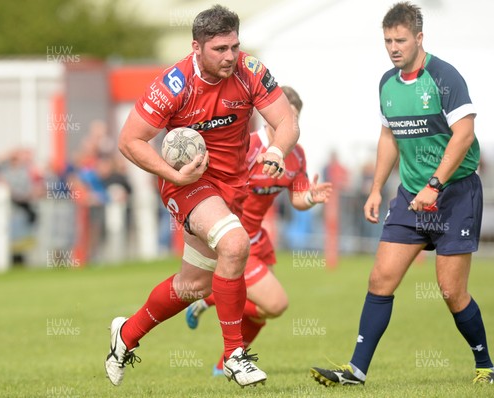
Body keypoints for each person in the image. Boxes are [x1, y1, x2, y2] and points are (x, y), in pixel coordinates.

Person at [105, 4, 299, 388]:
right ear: (196, 47)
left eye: (234, 47)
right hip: (188, 184)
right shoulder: (173, 84)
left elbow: (286, 121)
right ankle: (234, 356)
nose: (230, 57)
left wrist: (276, 150)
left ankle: (125, 335)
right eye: (220, 49)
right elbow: (130, 141)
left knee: (194, 286)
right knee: (235, 243)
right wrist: (173, 173)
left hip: (232, 187)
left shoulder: (250, 70)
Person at [310, 1, 493, 386]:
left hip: (455, 194)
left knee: (450, 291)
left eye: (401, 40)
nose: (393, 47)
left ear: (419, 38)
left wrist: (435, 185)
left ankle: (486, 366)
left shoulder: (445, 78)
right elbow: (388, 136)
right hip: (411, 197)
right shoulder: (387, 83)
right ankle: (356, 372)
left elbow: (465, 136)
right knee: (380, 279)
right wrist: (376, 188)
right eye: (388, 41)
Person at [184, 86, 332, 375]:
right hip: (235, 238)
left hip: (259, 241)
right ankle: (211, 297)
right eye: (284, 118)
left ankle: (222, 366)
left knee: (263, 313)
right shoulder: (248, 147)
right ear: (268, 118)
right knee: (276, 304)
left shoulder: (297, 154)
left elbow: (298, 198)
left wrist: (311, 197)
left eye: (295, 120)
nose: (289, 125)